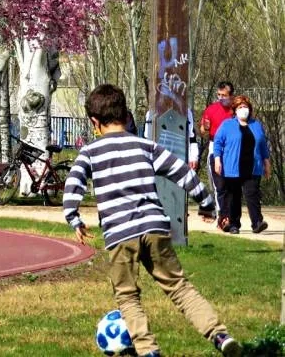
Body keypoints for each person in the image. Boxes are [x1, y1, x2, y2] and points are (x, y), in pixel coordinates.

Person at [63, 84, 240, 357]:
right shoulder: (146, 146)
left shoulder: (90, 152)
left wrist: (74, 218)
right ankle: (220, 335)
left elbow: (73, 184)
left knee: (127, 296)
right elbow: (183, 172)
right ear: (126, 115)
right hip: (155, 226)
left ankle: (148, 350)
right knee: (179, 287)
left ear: (94, 122)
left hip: (120, 233)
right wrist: (206, 204)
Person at [213, 95, 270, 235]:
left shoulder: (256, 125)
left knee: (253, 195)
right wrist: (217, 160)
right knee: (233, 196)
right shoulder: (227, 125)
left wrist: (267, 162)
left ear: (249, 109)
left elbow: (263, 145)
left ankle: (257, 222)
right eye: (240, 107)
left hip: (253, 167)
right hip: (232, 167)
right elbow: (218, 142)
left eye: (245, 107)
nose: (243, 109)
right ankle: (234, 224)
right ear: (235, 110)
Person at [200, 81, 236, 225]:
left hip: (233, 148)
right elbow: (202, 131)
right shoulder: (211, 109)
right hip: (215, 146)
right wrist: (205, 128)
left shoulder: (236, 110)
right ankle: (222, 217)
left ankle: (232, 216)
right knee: (219, 186)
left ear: (231, 96)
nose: (221, 98)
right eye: (219, 95)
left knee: (232, 185)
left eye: (224, 95)